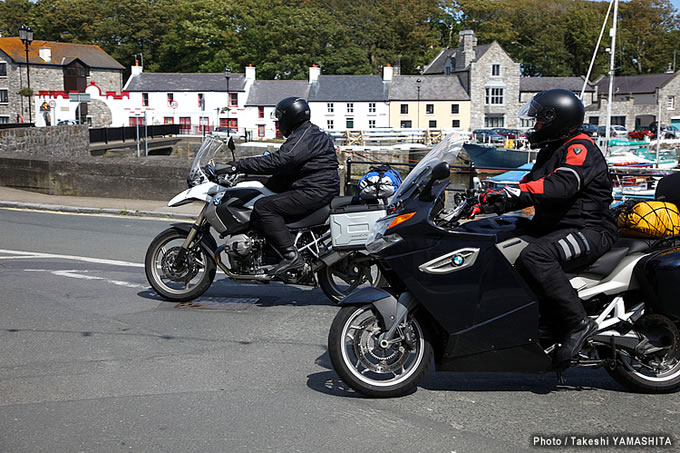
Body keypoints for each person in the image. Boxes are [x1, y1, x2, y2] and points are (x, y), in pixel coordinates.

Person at [477, 88, 617, 365]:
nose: (535, 125)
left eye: (539, 120)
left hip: (590, 229)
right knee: (494, 244)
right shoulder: (552, 151)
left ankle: (578, 323)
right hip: (555, 226)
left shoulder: (580, 147)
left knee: (536, 255)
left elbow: (563, 185)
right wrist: (488, 203)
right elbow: (530, 188)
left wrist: (515, 193)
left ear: (556, 119)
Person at [215, 97, 340, 274]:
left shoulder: (304, 136)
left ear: (289, 117)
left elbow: (283, 160)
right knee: (267, 197)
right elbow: (289, 167)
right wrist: (248, 176)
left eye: (280, 119)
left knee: (264, 206)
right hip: (317, 187)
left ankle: (291, 256)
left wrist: (237, 165)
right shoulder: (307, 133)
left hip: (314, 190)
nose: (278, 124)